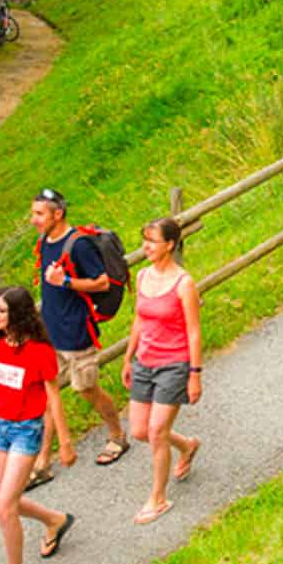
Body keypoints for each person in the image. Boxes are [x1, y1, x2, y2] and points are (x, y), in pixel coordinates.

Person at [0, 286, 76, 564]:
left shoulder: (40, 352)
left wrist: (64, 442)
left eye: (0, 311)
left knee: (6, 505)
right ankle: (55, 520)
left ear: (17, 313)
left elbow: (53, 397)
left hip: (25, 431)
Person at [27, 188, 127, 482]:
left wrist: (67, 281)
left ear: (57, 214)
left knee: (87, 390)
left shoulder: (79, 245)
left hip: (76, 332)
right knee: (48, 393)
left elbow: (101, 283)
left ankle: (118, 434)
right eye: (33, 213)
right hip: (50, 331)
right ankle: (43, 461)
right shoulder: (45, 241)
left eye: (39, 214)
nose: (33, 220)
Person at [121, 217, 203, 525]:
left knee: (156, 432)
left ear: (169, 244)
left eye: (152, 241)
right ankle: (186, 445)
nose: (146, 247)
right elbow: (140, 320)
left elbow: (194, 332)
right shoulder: (142, 276)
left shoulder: (184, 284)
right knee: (140, 431)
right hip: (145, 362)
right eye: (144, 240)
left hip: (175, 363)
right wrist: (129, 357)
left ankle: (157, 498)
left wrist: (195, 374)